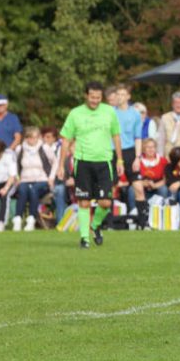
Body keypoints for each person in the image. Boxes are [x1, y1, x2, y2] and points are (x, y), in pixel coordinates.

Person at [57, 81, 123, 248]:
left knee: (105, 202)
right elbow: (66, 141)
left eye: (98, 98)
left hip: (105, 162)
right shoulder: (75, 113)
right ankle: (84, 238)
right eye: (92, 97)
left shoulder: (109, 112)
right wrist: (60, 165)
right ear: (86, 96)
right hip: (83, 162)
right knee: (84, 202)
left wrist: (120, 159)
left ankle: (95, 225)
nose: (95, 101)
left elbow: (116, 135)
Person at [13, 127, 57, 232]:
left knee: (33, 189)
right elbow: (15, 165)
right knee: (22, 190)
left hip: (42, 179)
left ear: (38, 138)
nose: (31, 140)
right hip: (25, 179)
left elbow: (55, 163)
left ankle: (31, 219)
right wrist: (17, 178)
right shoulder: (20, 149)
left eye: (34, 137)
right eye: (29, 137)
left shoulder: (44, 148)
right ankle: (18, 219)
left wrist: (51, 178)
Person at [114, 84, 143, 208]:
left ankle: (143, 224)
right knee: (110, 188)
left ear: (128, 97)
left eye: (122, 94)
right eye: (118, 94)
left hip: (130, 152)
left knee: (139, 188)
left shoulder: (135, 114)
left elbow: (138, 137)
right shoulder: (110, 112)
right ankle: (108, 223)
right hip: (113, 151)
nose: (120, 97)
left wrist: (137, 157)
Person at [132, 138, 169, 229]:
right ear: (144, 149)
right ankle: (134, 214)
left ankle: (160, 215)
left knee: (163, 189)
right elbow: (133, 178)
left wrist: (155, 185)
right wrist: (142, 183)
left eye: (152, 147)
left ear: (156, 148)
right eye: (148, 147)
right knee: (132, 189)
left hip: (157, 185)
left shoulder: (162, 161)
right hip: (142, 185)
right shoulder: (138, 161)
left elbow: (166, 179)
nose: (150, 149)